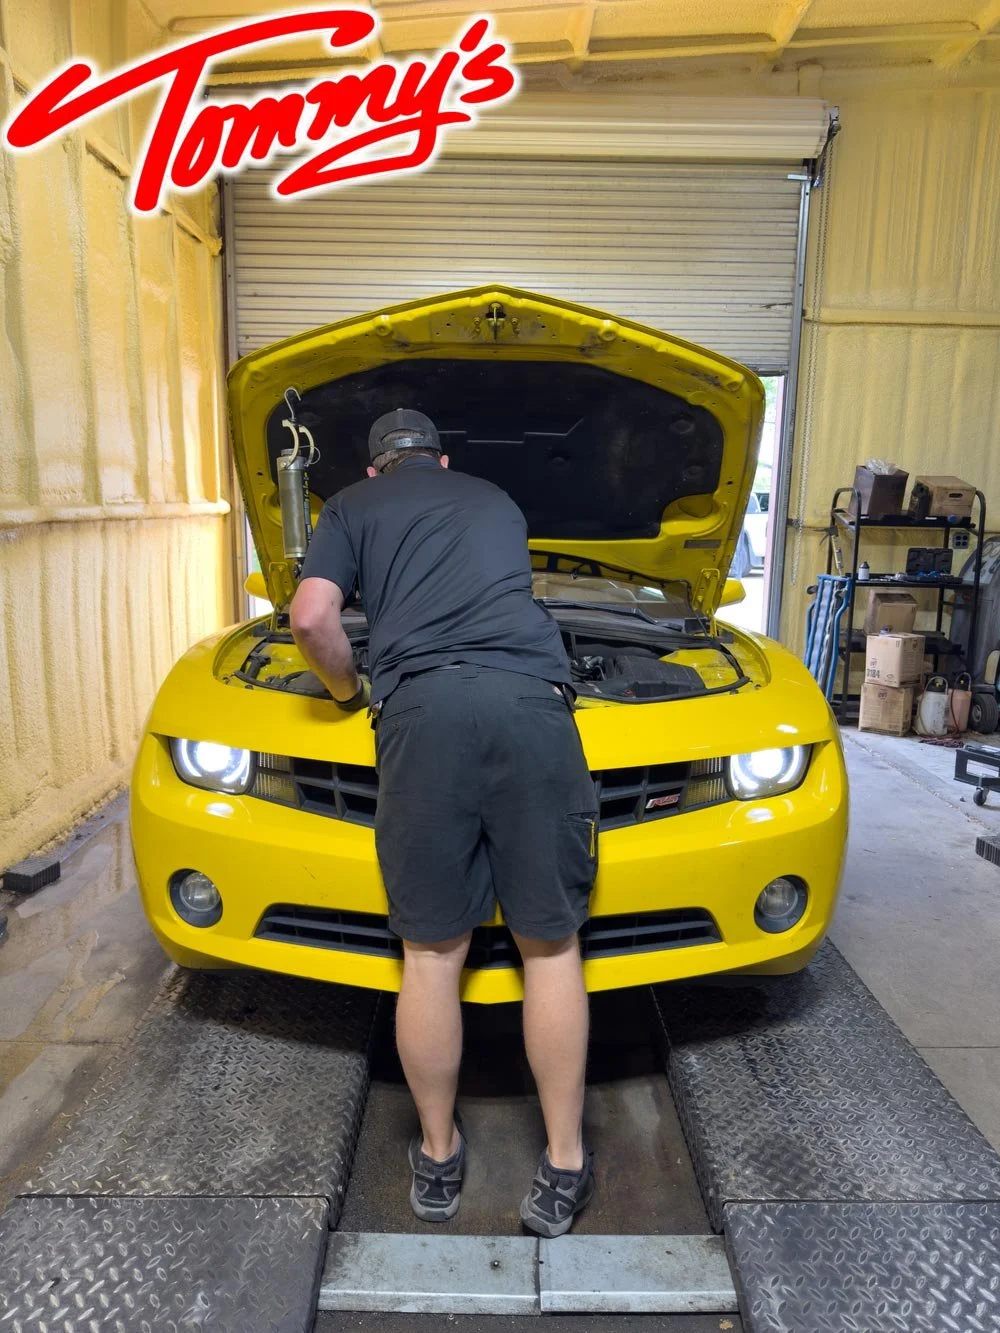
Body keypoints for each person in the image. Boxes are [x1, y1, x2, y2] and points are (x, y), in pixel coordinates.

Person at [289, 407, 599, 1237]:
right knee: (552, 944)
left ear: (378, 465)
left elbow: (313, 617)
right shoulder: (495, 497)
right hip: (534, 706)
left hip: (423, 714)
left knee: (429, 953)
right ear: (442, 458)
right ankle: (564, 1162)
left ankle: (437, 1155)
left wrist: (349, 689)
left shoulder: (352, 505)